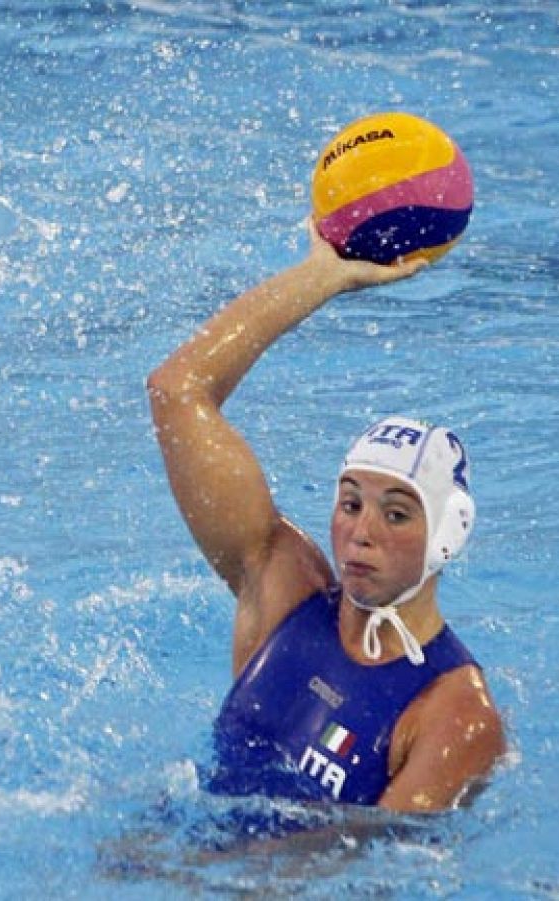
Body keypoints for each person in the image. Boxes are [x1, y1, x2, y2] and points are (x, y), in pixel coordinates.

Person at [145, 224, 505, 813]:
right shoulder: (284, 587)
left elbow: (372, 855)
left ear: (447, 534)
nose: (361, 534)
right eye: (350, 504)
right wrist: (322, 276)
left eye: (396, 514)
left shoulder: (455, 714)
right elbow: (176, 390)